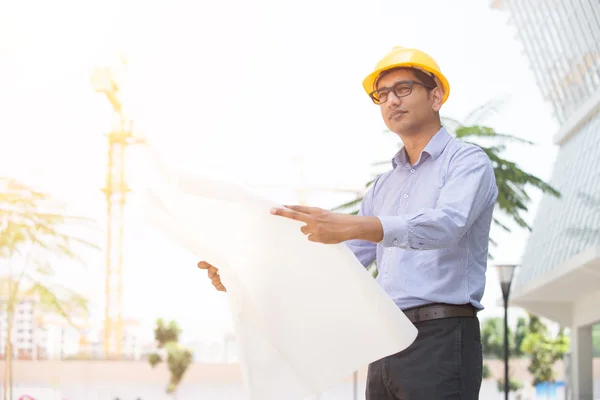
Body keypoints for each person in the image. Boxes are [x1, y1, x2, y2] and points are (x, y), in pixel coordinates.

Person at [197, 46, 498, 399]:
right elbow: (343, 263)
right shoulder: (383, 187)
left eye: (403, 89)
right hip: (386, 340)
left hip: (442, 337)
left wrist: (355, 225)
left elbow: (447, 224)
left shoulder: (468, 161)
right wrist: (246, 277)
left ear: (436, 95)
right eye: (382, 94)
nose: (391, 101)